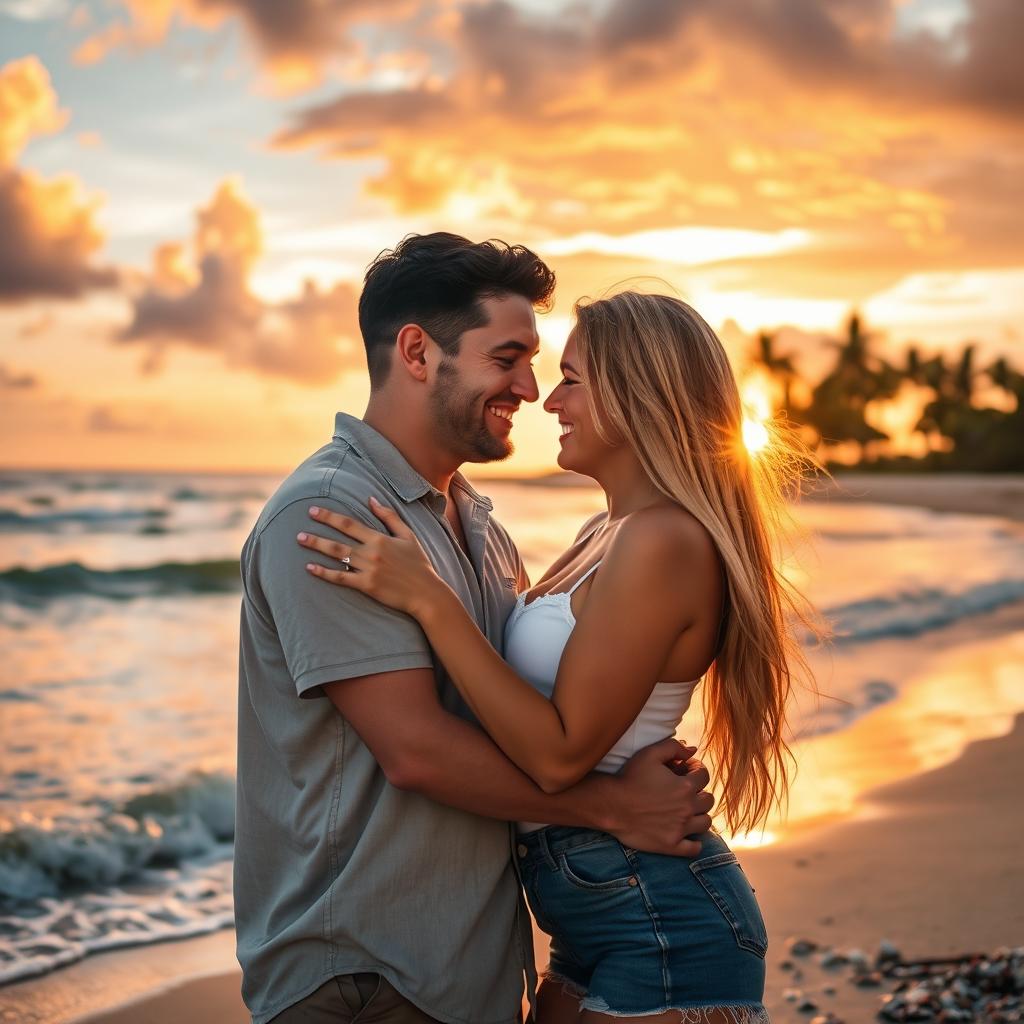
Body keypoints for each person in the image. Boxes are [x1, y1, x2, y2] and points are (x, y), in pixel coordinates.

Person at [236, 236, 716, 1024]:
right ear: (419, 353)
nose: (531, 389)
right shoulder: (328, 516)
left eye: (546, 367)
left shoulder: (481, 529)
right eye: (510, 358)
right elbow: (419, 751)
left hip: (473, 966)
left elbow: (527, 711)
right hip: (365, 974)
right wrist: (614, 808)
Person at [299, 290, 814, 1024]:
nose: (548, 401)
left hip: (655, 915)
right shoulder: (604, 531)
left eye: (572, 379)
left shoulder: (661, 541)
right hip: (593, 907)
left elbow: (559, 753)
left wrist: (430, 600)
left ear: (637, 396)